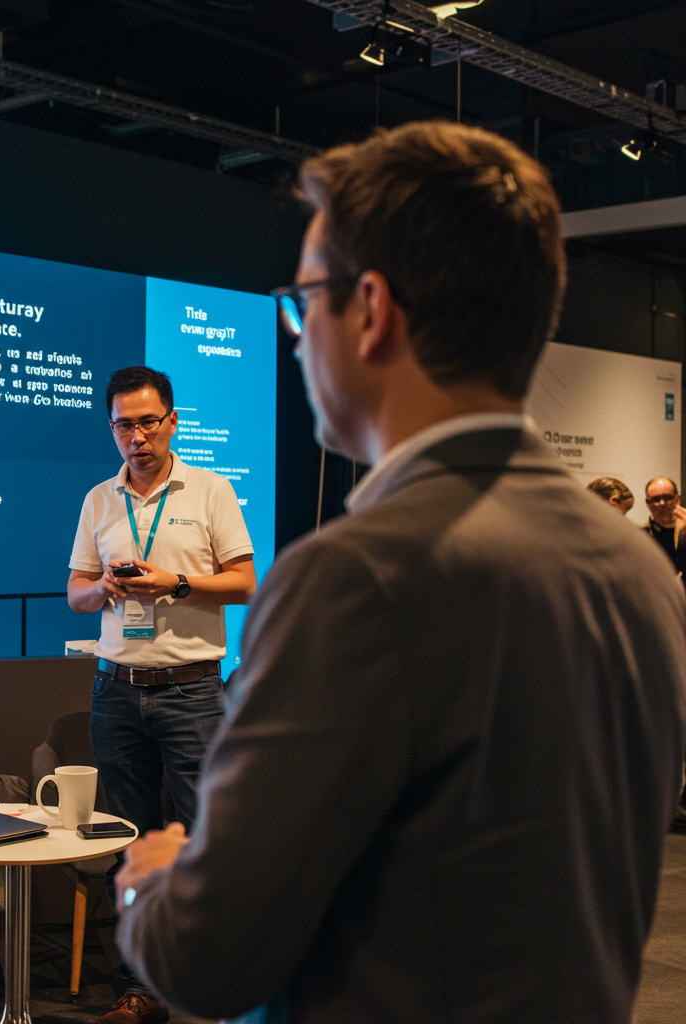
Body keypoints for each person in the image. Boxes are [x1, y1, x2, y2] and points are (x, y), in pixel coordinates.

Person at [113, 121, 686, 1024]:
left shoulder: (355, 578)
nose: (298, 340)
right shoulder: (641, 572)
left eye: (303, 304)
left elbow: (205, 958)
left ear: (372, 309)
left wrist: (152, 885)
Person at [67, 364, 256, 1024]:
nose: (137, 436)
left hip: (192, 692)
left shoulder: (209, 490)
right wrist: (107, 591)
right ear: (111, 428)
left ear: (172, 422)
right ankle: (139, 988)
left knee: (207, 838)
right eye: (124, 424)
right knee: (130, 842)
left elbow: (244, 582)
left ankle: (214, 986)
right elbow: (75, 592)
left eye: (149, 422)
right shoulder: (99, 499)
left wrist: (175, 583)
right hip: (115, 692)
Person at [643, 477, 686, 576]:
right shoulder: (640, 536)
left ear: (677, 499)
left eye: (667, 498)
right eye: (655, 499)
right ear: (648, 503)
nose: (662, 503)